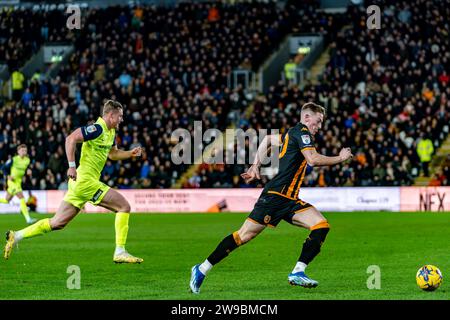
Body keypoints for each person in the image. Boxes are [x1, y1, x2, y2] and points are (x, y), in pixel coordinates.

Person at [190, 102, 353, 293]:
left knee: (321, 225)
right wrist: (340, 158)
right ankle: (201, 269)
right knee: (243, 236)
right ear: (307, 118)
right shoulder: (302, 132)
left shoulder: (291, 134)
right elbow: (312, 159)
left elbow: (268, 140)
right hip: (275, 195)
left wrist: (256, 165)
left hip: (290, 199)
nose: (319, 127)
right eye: (317, 122)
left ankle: (298, 272)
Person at [4, 100, 143, 264]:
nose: (121, 120)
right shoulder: (97, 128)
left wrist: (130, 153)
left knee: (57, 223)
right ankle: (120, 251)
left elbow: (112, 154)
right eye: (119, 116)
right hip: (85, 181)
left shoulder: (111, 132)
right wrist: (71, 166)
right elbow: (70, 139)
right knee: (124, 206)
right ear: (110, 115)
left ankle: (16, 235)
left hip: (80, 185)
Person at [0, 144, 37, 224]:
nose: (24, 152)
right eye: (22, 150)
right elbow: (3, 168)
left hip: (18, 182)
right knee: (22, 197)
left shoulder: (27, 160)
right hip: (12, 182)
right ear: (18, 151)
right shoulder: (13, 159)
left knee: (6, 200)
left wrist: (29, 171)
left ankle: (28, 218)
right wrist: (8, 176)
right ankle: (28, 219)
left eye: (25, 151)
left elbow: (27, 169)